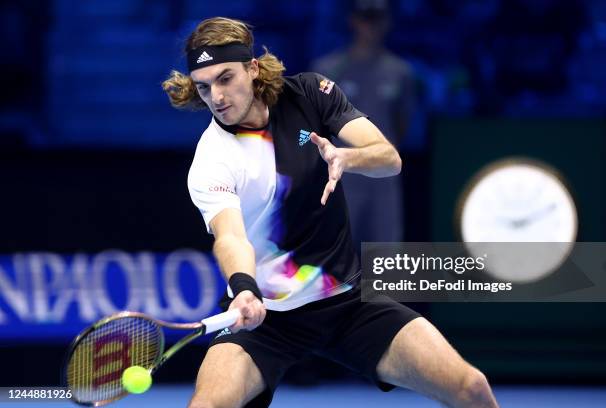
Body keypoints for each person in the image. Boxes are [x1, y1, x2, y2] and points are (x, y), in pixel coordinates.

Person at [162, 16, 498, 408]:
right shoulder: (211, 158)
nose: (216, 97)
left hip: (348, 304)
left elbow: (389, 158)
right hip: (266, 317)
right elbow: (231, 236)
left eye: (225, 78)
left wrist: (347, 156)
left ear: (252, 69)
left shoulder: (309, 94)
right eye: (203, 87)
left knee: (471, 387)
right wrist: (244, 289)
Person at [312, 0, 415, 247]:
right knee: (335, 252)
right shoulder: (328, 69)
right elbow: (311, 123)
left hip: (384, 179)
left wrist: (380, 155)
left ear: (387, 22)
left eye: (377, 19)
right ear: (353, 21)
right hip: (340, 178)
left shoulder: (400, 72)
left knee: (385, 257)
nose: (370, 26)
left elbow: (403, 124)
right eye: (365, 18)